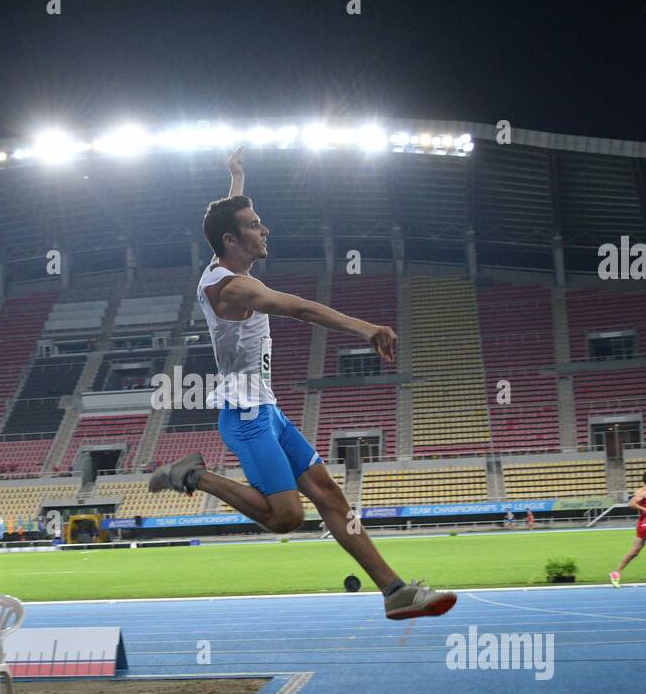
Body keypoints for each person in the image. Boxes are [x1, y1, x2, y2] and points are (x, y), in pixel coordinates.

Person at [148, 145, 455, 621]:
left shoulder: (225, 262)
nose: (264, 229)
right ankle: (191, 475)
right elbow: (302, 309)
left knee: (330, 496)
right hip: (245, 416)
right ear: (232, 241)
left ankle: (393, 590)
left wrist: (236, 176)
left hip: (266, 410)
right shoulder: (234, 289)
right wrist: (365, 328)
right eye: (255, 225)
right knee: (287, 516)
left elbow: (227, 219)